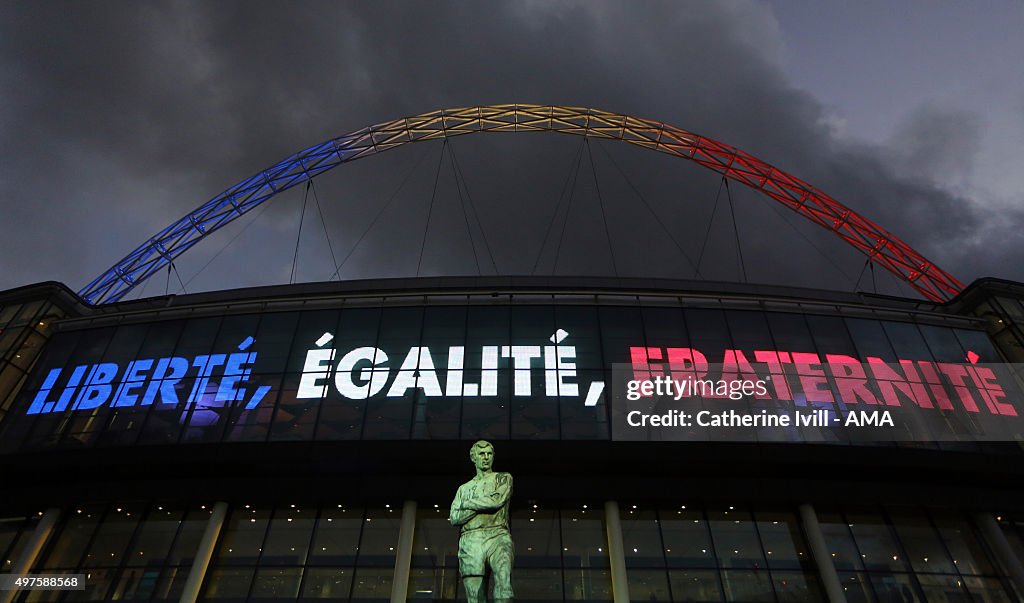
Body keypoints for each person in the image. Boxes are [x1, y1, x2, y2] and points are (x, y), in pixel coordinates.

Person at [449, 440, 514, 602]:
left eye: (489, 454)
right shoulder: (463, 489)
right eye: (482, 454)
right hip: (471, 540)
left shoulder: (503, 478)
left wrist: (469, 503)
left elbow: (496, 501)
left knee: (504, 587)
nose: (486, 457)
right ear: (473, 458)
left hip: (498, 535)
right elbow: (455, 517)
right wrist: (484, 503)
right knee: (475, 597)